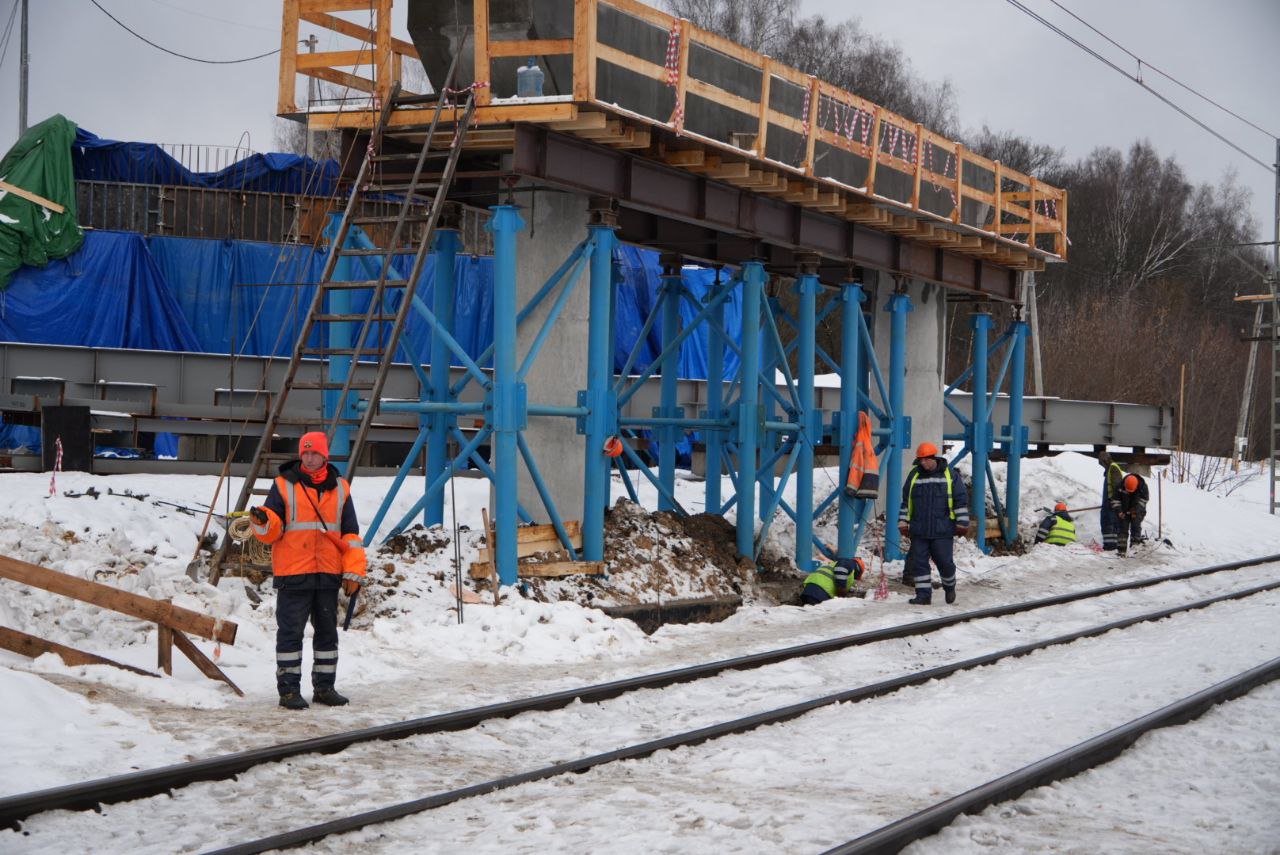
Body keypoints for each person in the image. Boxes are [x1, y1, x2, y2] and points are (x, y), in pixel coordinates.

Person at [250, 432, 367, 710]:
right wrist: (263, 522)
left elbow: (351, 535)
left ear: (325, 456)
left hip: (327, 573)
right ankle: (289, 691)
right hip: (294, 573)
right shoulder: (283, 485)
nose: (309, 457)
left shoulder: (341, 489)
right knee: (290, 633)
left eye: (314, 453)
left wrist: (353, 571)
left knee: (327, 633)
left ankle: (324, 689)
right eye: (305, 453)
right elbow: (271, 531)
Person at [899, 442, 969, 605]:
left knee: (945, 562)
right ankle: (923, 596)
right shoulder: (914, 476)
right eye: (920, 460)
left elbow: (960, 501)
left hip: (942, 530)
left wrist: (962, 523)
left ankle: (949, 586)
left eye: (925, 459)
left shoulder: (950, 476)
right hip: (919, 530)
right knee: (919, 564)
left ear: (934, 458)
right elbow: (906, 502)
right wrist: (903, 521)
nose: (923, 463)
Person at [800, 557, 866, 605]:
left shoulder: (835, 564)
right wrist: (841, 592)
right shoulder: (849, 563)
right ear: (858, 571)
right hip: (819, 592)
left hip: (809, 589)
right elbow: (842, 568)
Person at [1111, 473, 1149, 555]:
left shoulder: (1143, 487)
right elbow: (1115, 501)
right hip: (1124, 510)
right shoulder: (1120, 486)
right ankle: (1121, 551)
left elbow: (1144, 501)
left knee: (1136, 526)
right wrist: (1119, 511)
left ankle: (1135, 548)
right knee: (1122, 528)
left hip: (1137, 510)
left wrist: (1136, 510)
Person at [1098, 451, 1127, 551]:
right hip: (1108, 503)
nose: (1102, 465)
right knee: (1107, 523)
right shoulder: (1110, 469)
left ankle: (1111, 546)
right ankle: (1109, 545)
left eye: (1102, 463)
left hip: (1111, 503)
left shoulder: (1113, 468)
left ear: (1105, 460)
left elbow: (1117, 487)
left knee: (1109, 523)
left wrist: (1114, 501)